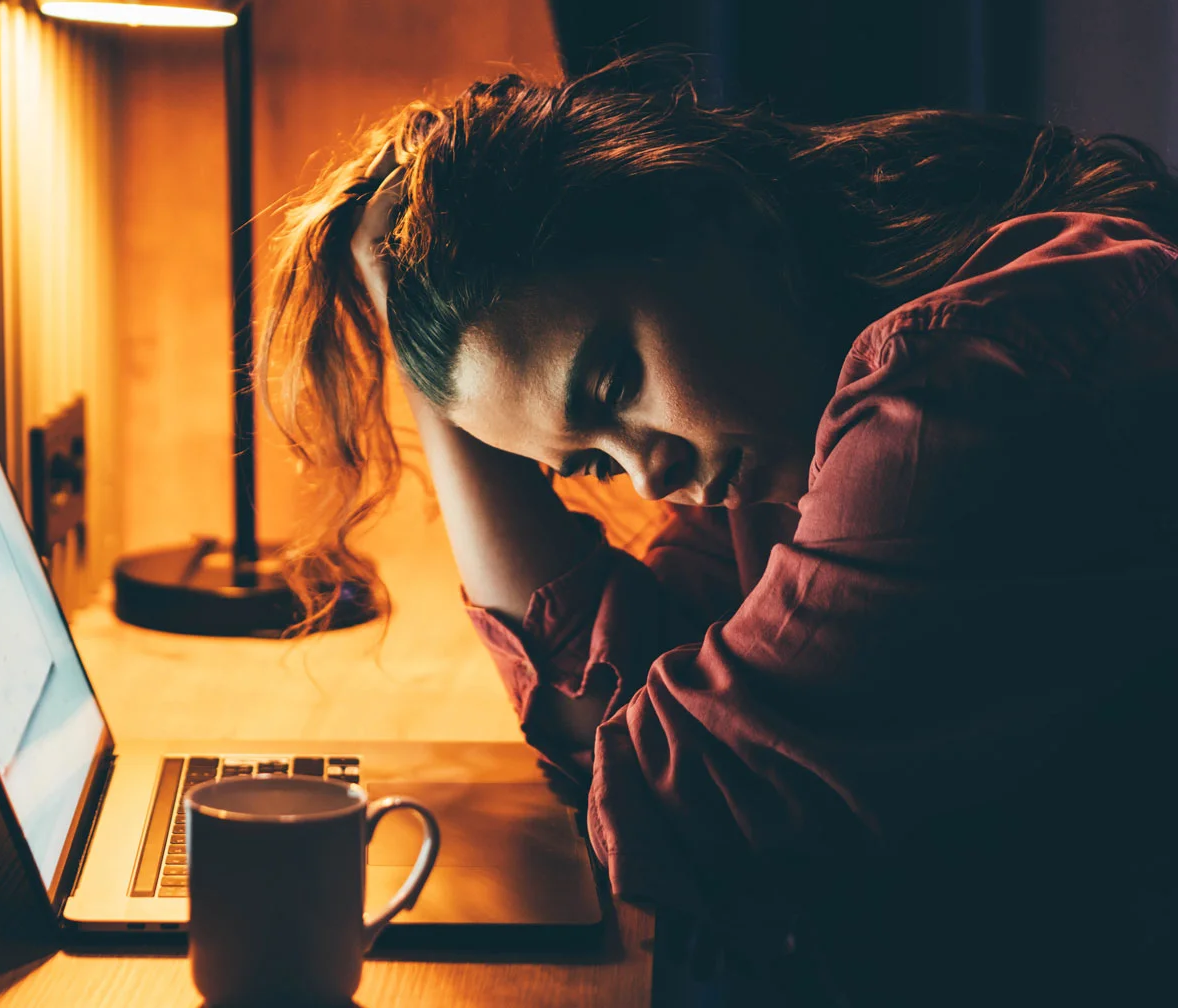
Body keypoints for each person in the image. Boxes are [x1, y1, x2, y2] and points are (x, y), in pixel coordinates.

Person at [258, 50, 1178, 1005]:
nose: (651, 477)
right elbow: (624, 700)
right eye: (586, 463)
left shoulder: (946, 403)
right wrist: (426, 340)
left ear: (710, 215)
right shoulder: (787, 399)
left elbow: (678, 807)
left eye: (615, 384)